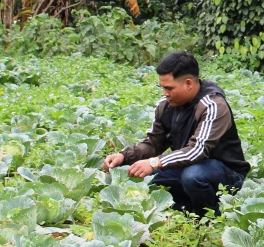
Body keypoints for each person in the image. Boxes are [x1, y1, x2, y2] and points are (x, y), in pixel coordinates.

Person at [103, 50, 250, 216]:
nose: (165, 93)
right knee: (138, 174)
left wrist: (153, 162)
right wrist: (124, 156)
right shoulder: (166, 105)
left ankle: (208, 217)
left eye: (169, 88)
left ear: (188, 83)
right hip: (187, 167)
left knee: (192, 176)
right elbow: (154, 143)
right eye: (162, 88)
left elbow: (197, 151)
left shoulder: (213, 105)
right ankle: (186, 208)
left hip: (226, 173)